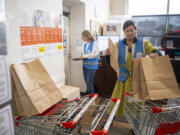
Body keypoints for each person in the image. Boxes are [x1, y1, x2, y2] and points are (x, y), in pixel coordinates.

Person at [106, 20, 162, 116]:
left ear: (135, 30)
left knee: (135, 105)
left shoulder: (144, 43)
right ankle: (110, 122)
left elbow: (155, 51)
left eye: (131, 30)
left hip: (138, 81)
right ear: (124, 32)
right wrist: (107, 55)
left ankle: (135, 127)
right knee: (116, 102)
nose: (129, 33)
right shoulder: (118, 44)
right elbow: (112, 61)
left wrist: (155, 54)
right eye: (127, 31)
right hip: (122, 81)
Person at [80, 30, 99, 94]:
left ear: (87, 36)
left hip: (92, 66)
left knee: (89, 82)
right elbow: (83, 53)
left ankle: (91, 99)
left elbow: (94, 54)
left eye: (83, 37)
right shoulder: (84, 44)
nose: (82, 38)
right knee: (86, 82)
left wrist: (84, 56)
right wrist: (82, 56)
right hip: (85, 66)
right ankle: (89, 95)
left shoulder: (94, 43)